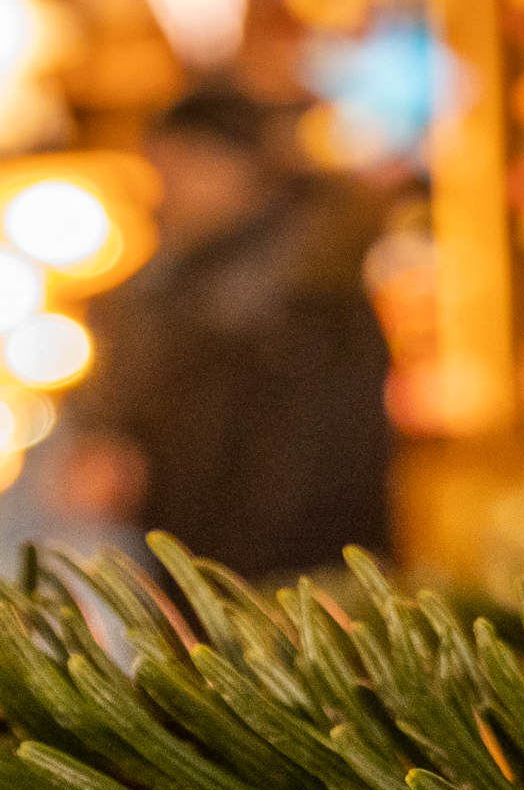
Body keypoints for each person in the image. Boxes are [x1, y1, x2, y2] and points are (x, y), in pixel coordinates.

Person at [62, 87, 394, 582]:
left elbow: (327, 459)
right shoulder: (155, 290)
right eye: (159, 168)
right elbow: (112, 412)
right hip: (185, 570)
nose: (166, 189)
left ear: (241, 168)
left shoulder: (316, 288)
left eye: (184, 166)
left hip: (302, 578)